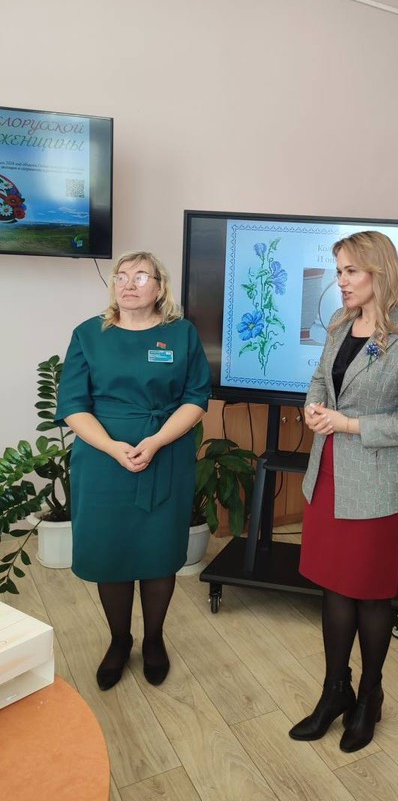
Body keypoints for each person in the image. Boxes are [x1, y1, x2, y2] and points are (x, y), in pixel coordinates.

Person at [289, 230, 398, 752]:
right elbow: (320, 379)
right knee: (333, 587)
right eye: (339, 271)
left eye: (351, 271)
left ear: (380, 271)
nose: (342, 281)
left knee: (371, 593)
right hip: (328, 474)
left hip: (376, 484)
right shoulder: (340, 321)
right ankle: (335, 691)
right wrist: (313, 408)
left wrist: (348, 424)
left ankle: (370, 695)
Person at [56, 251, 212, 691]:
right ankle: (120, 640)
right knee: (112, 553)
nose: (128, 283)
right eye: (122, 276)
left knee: (159, 551)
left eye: (141, 276)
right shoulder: (89, 334)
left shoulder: (181, 334)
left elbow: (196, 398)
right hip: (102, 461)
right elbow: (72, 404)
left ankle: (154, 638)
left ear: (160, 286)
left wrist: (157, 440)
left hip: (165, 455)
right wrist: (111, 447)